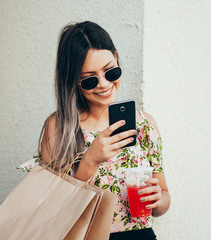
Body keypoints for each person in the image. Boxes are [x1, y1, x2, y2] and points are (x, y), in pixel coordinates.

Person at [19, 21, 170, 240]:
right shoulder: (60, 128)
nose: (103, 84)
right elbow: (52, 212)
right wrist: (89, 162)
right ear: (73, 81)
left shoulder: (145, 124)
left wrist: (159, 199)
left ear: (116, 58)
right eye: (89, 79)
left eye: (111, 71)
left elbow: (164, 199)